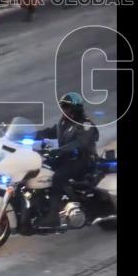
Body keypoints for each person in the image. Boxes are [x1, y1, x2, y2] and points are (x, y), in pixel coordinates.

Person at [32, 92, 99, 228]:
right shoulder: (64, 122)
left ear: (76, 108)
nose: (64, 110)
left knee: (58, 176)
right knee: (41, 170)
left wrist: (60, 150)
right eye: (63, 106)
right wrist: (27, 134)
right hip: (67, 158)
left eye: (67, 107)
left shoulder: (85, 124)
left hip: (83, 161)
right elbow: (49, 132)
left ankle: (53, 216)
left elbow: (81, 142)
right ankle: (42, 206)